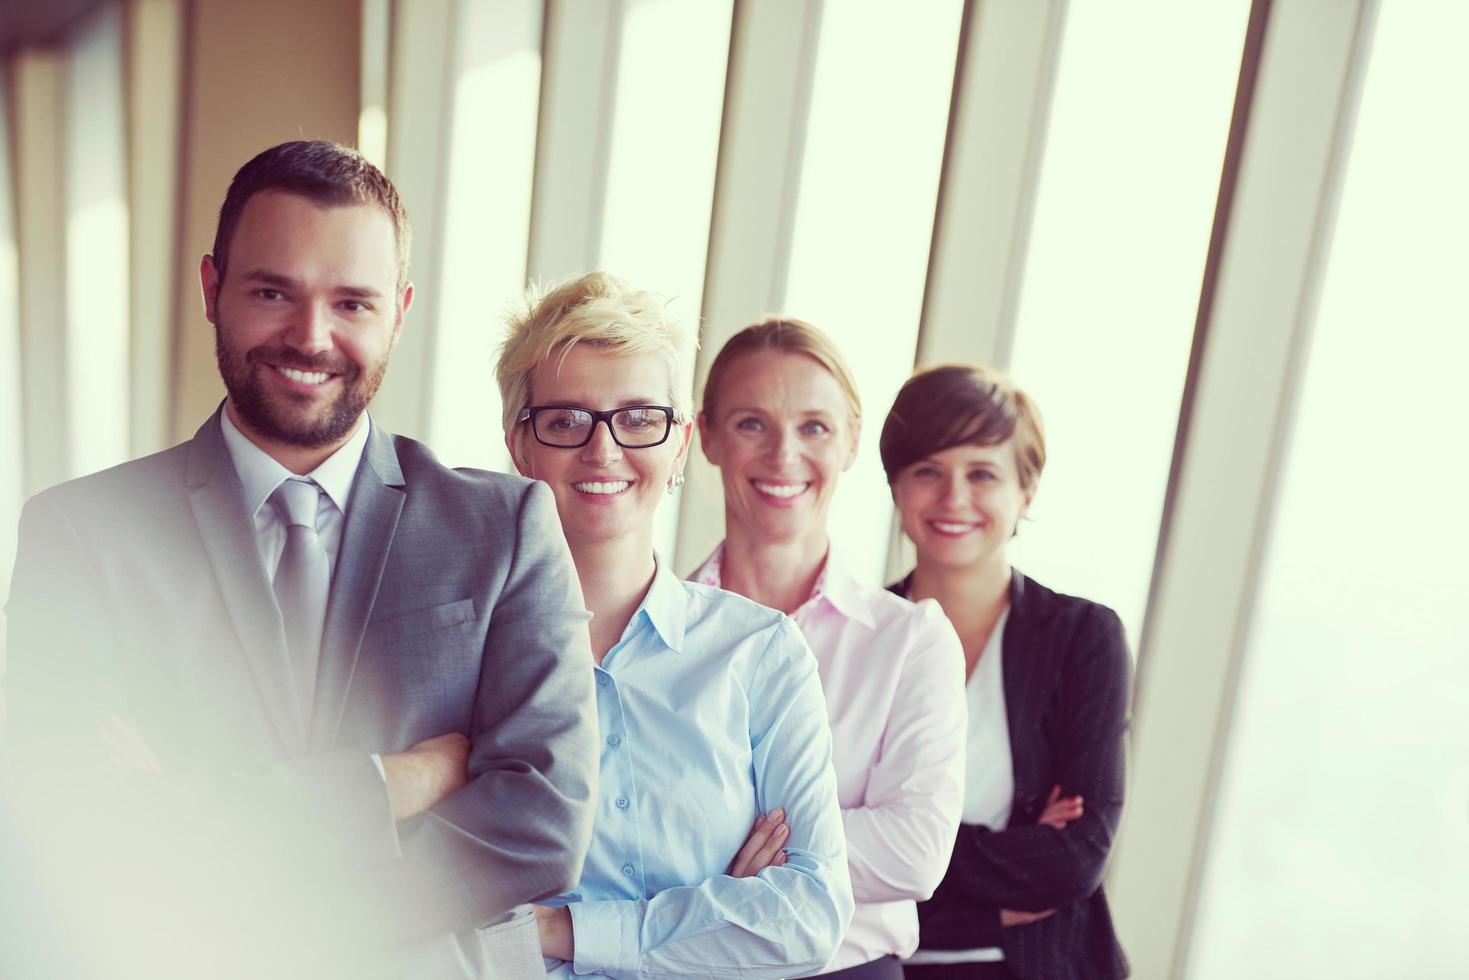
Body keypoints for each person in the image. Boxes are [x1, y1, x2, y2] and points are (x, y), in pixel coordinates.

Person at [0, 141, 598, 980]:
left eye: (352, 302)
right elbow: (71, 825)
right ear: (213, 291)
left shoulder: (503, 527)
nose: (310, 338)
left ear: (399, 310)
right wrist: (387, 786)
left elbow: (545, 823)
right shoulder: (82, 535)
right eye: (273, 291)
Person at [495, 272, 854, 979]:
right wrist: (714, 906)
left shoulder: (758, 654)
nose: (603, 452)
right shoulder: (466, 656)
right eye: (567, 420)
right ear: (520, 444)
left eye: (637, 419)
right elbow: (430, 905)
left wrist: (557, 929)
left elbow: (808, 916)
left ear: (681, 442)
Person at [690, 318, 968, 980]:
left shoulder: (909, 640)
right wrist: (812, 845)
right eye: (751, 423)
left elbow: (915, 853)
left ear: (849, 443)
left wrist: (717, 843)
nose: (783, 456)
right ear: (705, 436)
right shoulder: (655, 633)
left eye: (813, 427)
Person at [880, 365, 1130, 980]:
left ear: (1026, 491)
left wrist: (901, 846)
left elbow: (1073, 862)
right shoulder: (848, 637)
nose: (953, 498)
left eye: (983, 474)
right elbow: (821, 858)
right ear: (896, 487)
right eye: (928, 471)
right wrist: (996, 900)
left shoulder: (1083, 637)